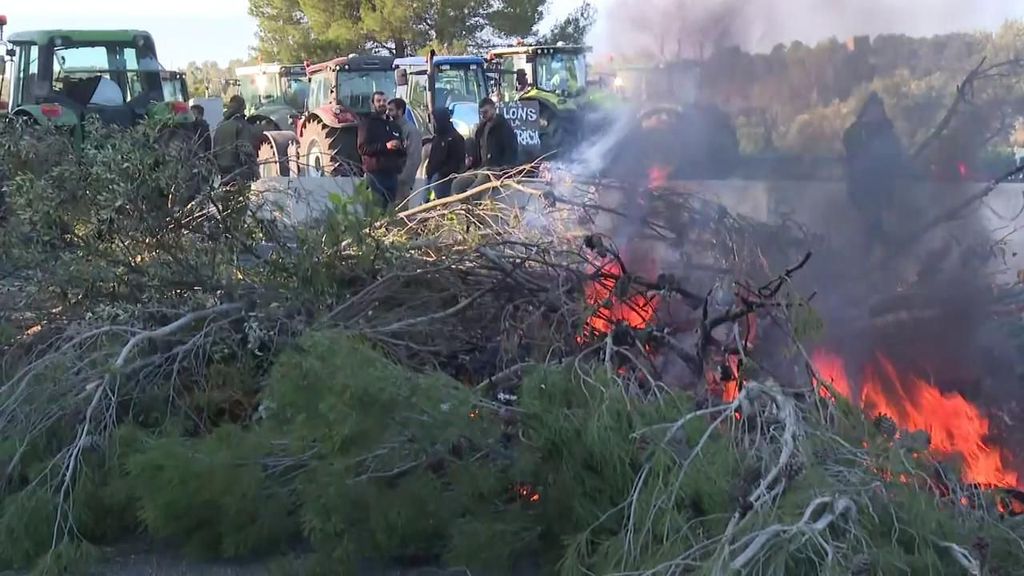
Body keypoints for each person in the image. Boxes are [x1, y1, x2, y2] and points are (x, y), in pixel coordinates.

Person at [842, 91, 908, 246]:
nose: (876, 112)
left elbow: (896, 153)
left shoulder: (887, 131)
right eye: (873, 109)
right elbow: (851, 152)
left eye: (879, 109)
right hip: (862, 188)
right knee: (869, 228)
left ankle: (881, 253)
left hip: (883, 187)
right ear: (866, 110)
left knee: (877, 226)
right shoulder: (856, 131)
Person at [452, 97, 518, 198]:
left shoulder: (504, 128)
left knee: (476, 187)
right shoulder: (480, 129)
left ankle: (471, 203)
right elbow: (477, 149)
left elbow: (512, 152)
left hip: (496, 169)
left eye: (485, 112)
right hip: (480, 168)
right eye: (481, 113)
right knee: (457, 184)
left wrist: (504, 169)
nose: (483, 115)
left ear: (493, 109)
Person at [357, 91, 406, 208]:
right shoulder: (367, 124)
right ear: (373, 104)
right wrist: (386, 146)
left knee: (390, 212)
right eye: (378, 101)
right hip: (375, 175)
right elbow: (362, 148)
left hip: (392, 175)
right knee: (375, 211)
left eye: (384, 101)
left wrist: (400, 148)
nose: (382, 104)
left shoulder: (394, 126)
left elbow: (402, 152)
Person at [212, 95, 256, 185]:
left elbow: (214, 151)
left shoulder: (220, 125)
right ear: (242, 108)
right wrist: (254, 170)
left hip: (222, 174)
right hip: (238, 174)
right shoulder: (241, 125)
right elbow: (246, 152)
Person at [425, 107, 466, 201]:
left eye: (434, 120)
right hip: (432, 177)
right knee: (428, 202)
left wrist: (441, 173)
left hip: (444, 180)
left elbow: (457, 162)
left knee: (437, 203)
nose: (433, 123)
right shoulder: (438, 136)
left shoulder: (455, 138)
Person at [387, 97, 422, 205]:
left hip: (401, 180)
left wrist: (403, 179)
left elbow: (414, 158)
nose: (388, 113)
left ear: (400, 111)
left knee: (400, 213)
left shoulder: (411, 130)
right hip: (389, 177)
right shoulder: (389, 127)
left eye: (391, 110)